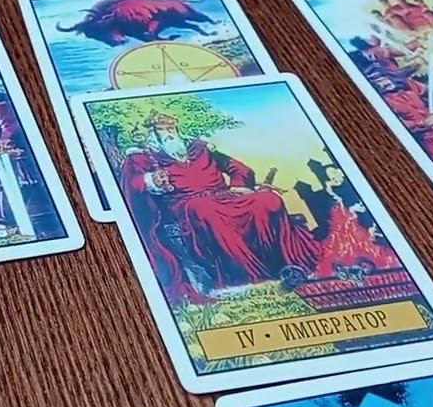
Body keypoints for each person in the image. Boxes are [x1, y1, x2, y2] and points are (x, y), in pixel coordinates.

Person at [118, 112, 319, 303]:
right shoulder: (142, 158)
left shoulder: (199, 149)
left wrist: (238, 186)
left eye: (171, 129)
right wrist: (151, 180)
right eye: (162, 130)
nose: (169, 134)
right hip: (188, 205)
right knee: (205, 210)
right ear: (153, 134)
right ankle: (245, 276)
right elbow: (132, 184)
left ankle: (283, 265)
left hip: (224, 196)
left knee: (268, 200)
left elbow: (240, 168)